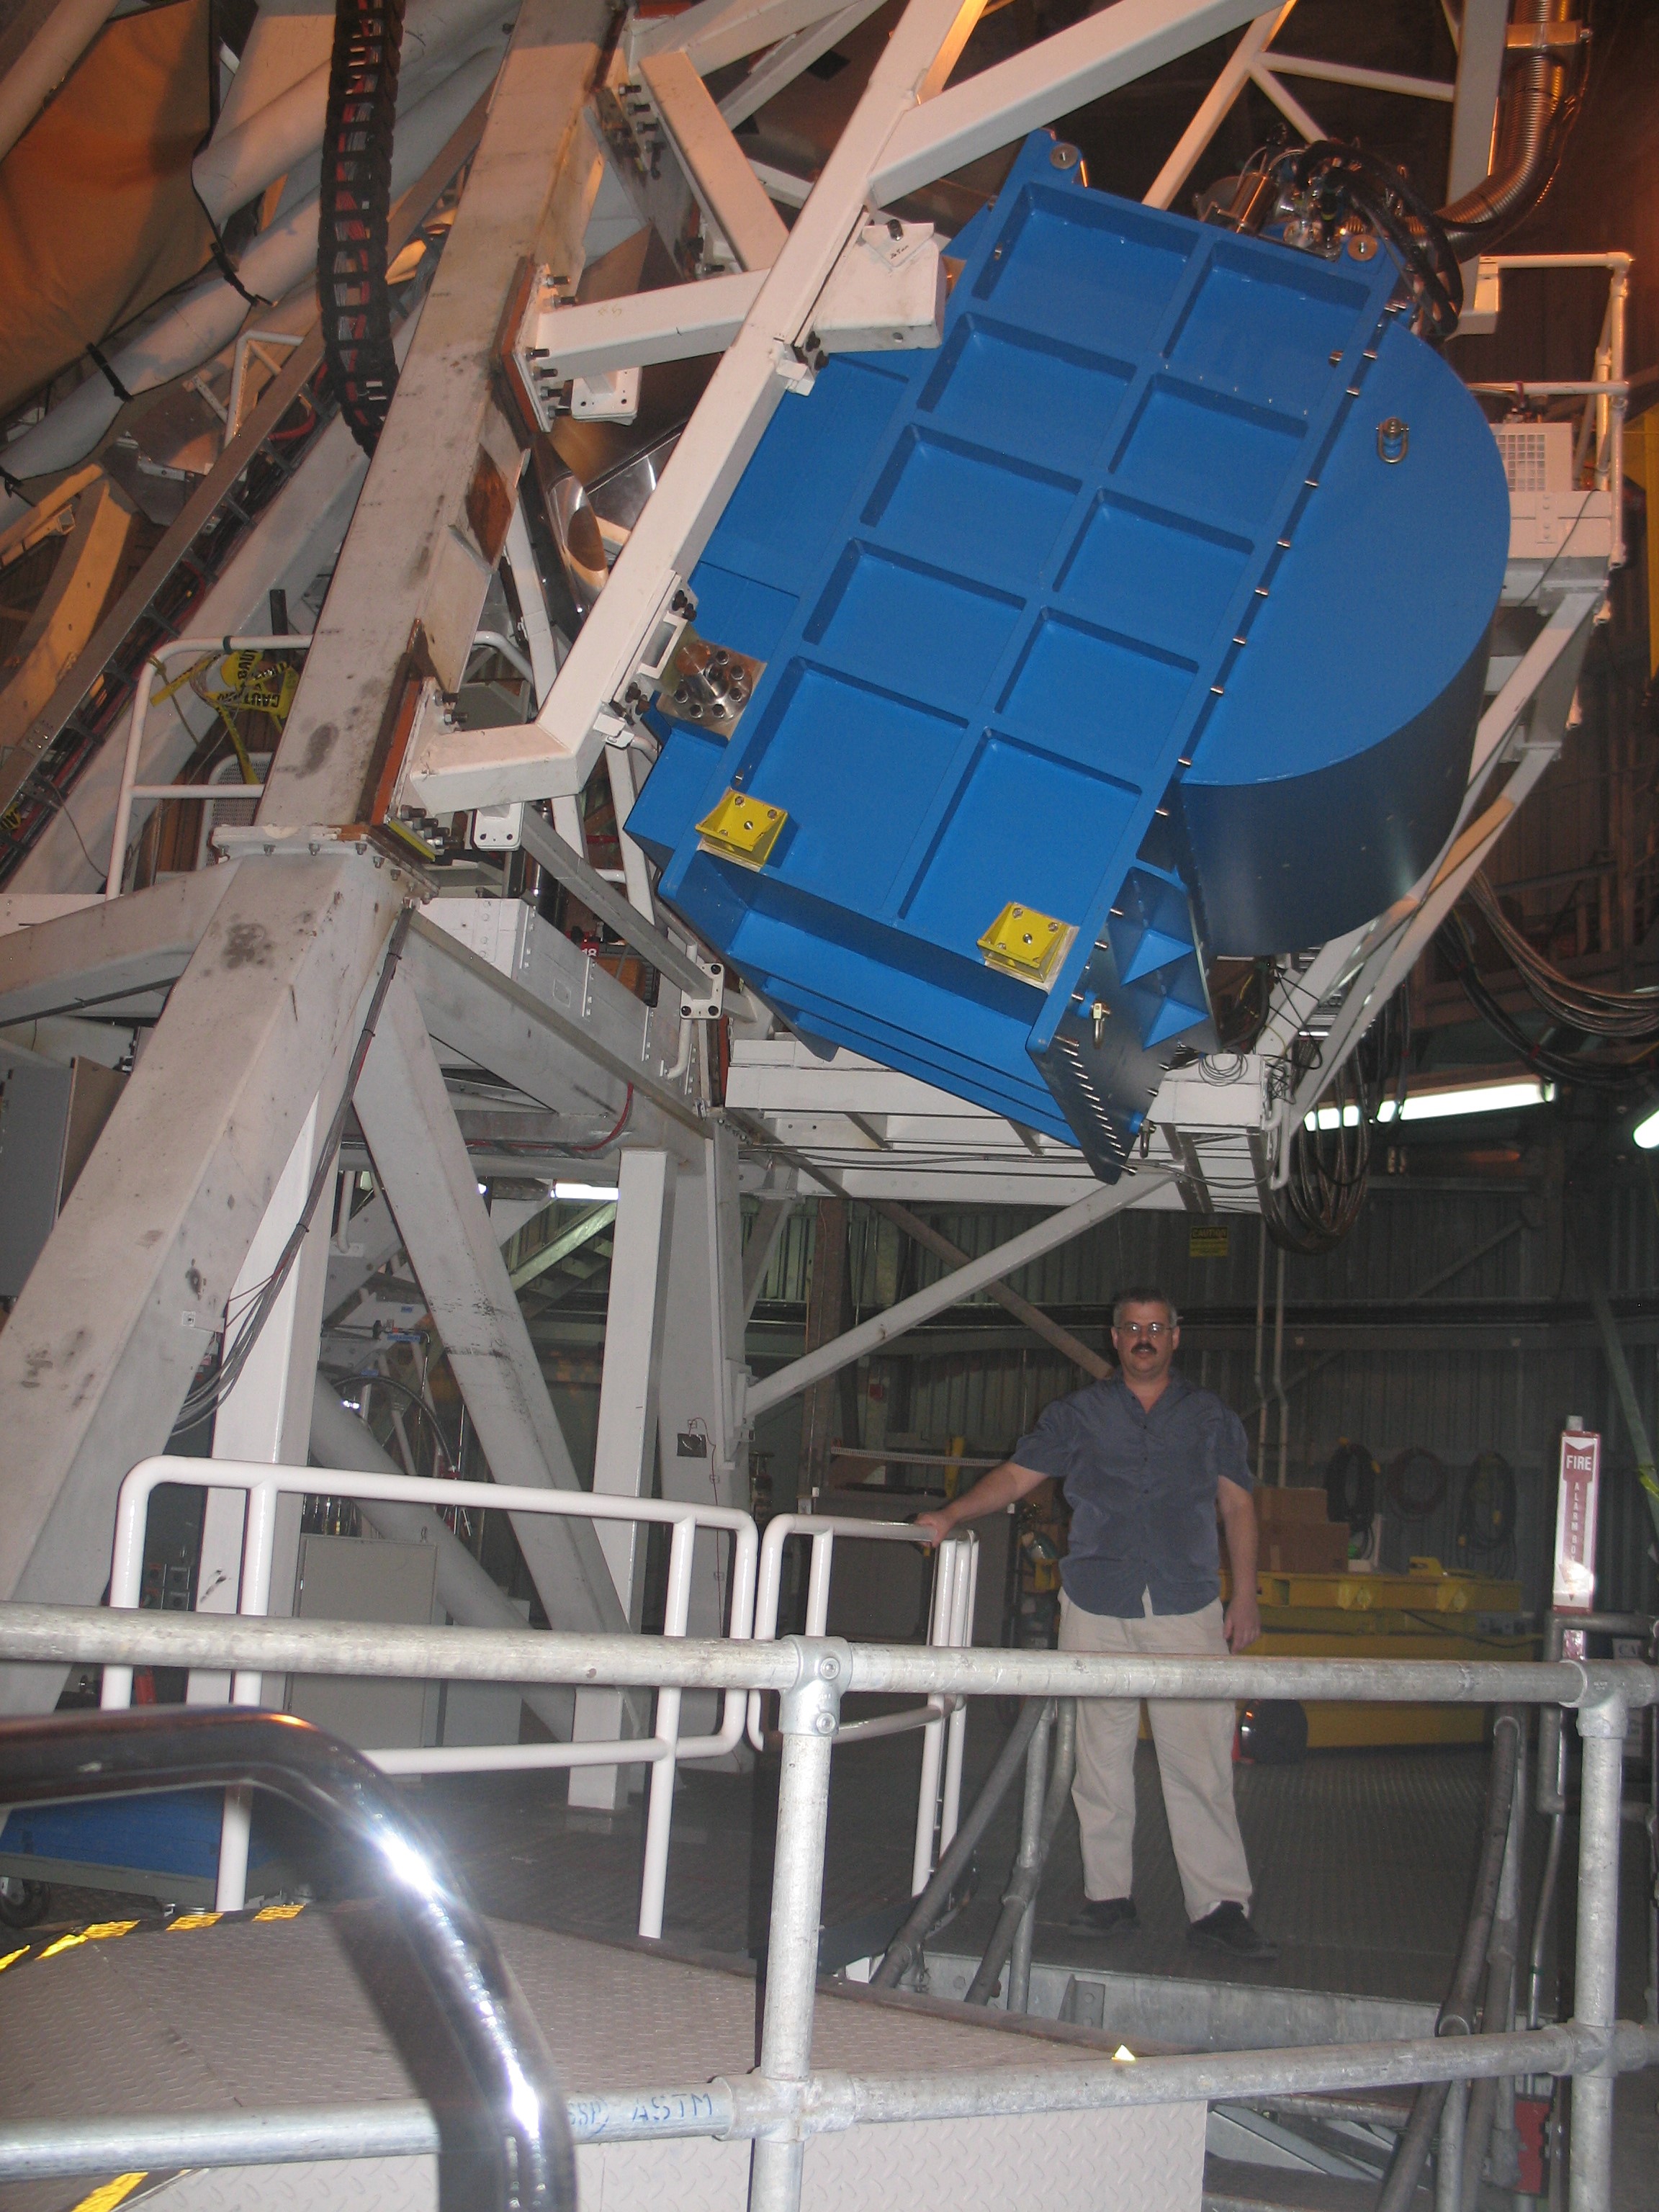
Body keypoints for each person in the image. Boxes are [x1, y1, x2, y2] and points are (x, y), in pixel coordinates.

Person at [914, 1285, 1275, 1961]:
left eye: (1157, 1328)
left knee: (1198, 1762)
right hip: (1094, 1607)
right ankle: (1108, 1898)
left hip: (1185, 1607)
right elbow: (1019, 1478)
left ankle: (1220, 1906)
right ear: (1115, 1339)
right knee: (1097, 1760)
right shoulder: (1077, 1416)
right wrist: (953, 1514)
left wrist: (1245, 1596)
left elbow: (1237, 1508)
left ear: (1176, 1337)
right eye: (1132, 1328)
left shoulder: (1210, 1418)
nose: (1144, 1338)